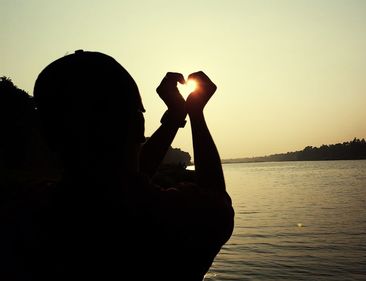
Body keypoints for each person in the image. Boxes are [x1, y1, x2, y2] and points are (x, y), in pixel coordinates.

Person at [0, 50, 234, 280]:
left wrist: (173, 119)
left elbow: (123, 179)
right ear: (139, 125)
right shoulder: (173, 221)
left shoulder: (20, 216)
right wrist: (194, 114)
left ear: (46, 135)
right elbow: (214, 200)